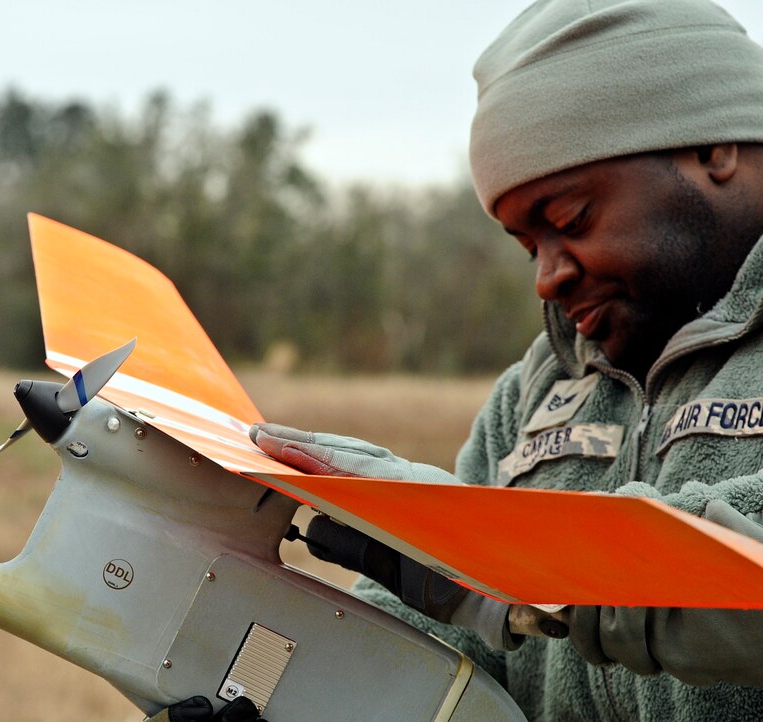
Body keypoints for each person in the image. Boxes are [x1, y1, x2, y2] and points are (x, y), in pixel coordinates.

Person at [153, 0, 763, 719]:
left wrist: (495, 547)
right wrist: (290, 692)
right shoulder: (535, 393)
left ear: (715, 148)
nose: (546, 275)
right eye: (527, 244)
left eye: (571, 220)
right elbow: (433, 651)